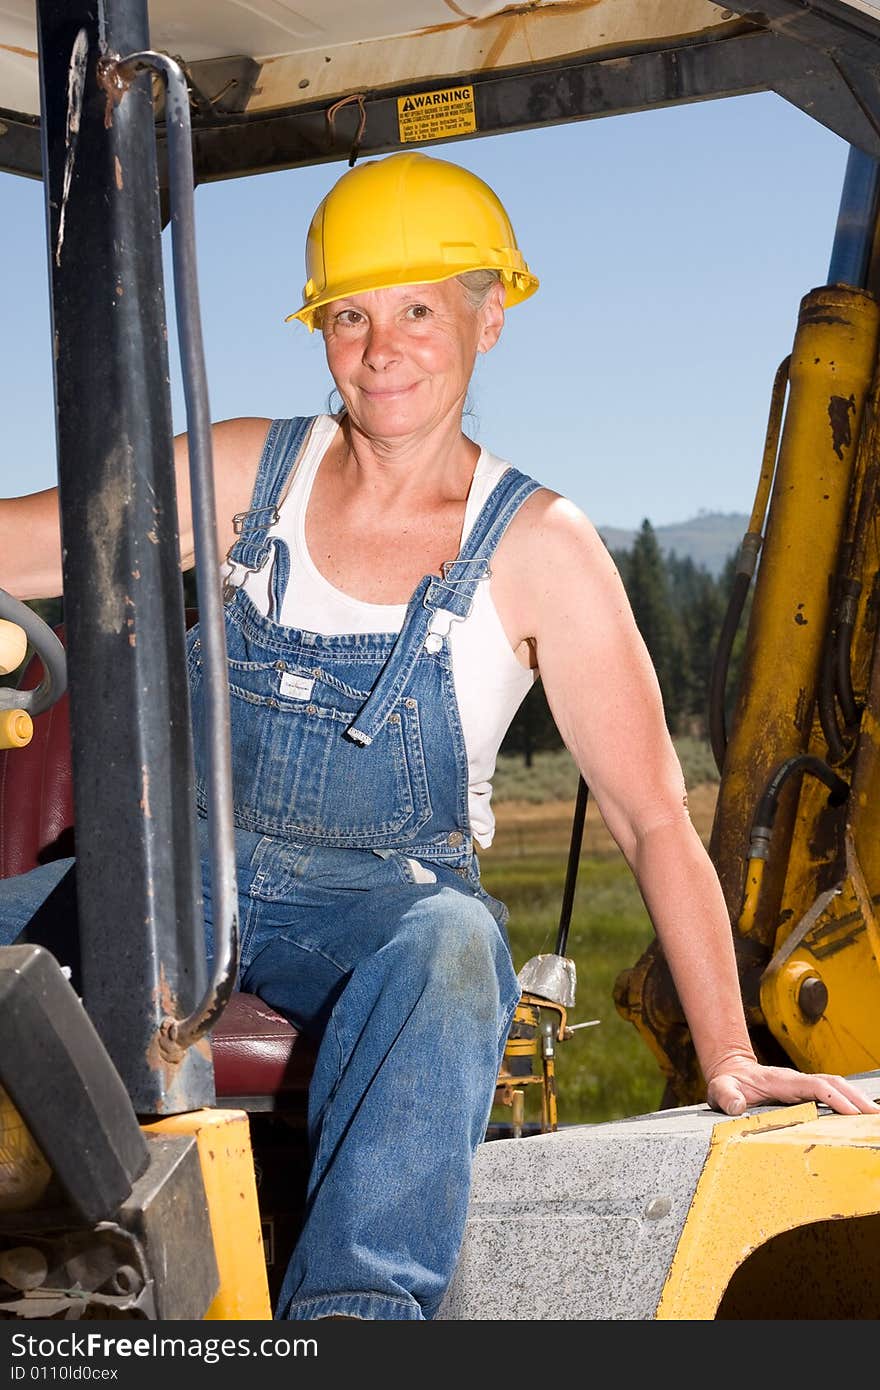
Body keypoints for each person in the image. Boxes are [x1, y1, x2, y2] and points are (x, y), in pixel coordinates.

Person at [0, 150, 877, 1322]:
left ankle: (357, 1314)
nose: (380, 347)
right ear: (319, 329)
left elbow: (652, 814)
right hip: (180, 882)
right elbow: (32, 545)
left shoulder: (541, 547)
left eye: (417, 310)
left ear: (488, 316)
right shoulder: (244, 470)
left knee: (458, 943)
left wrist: (724, 1050)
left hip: (377, 907)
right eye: (350, 314)